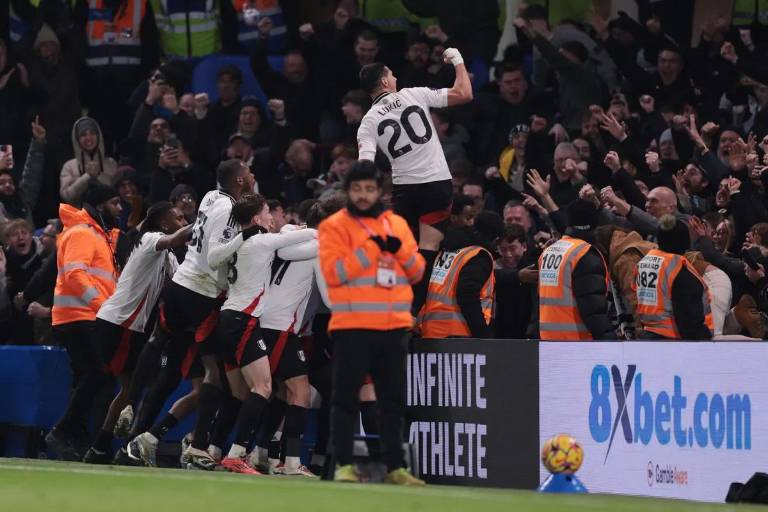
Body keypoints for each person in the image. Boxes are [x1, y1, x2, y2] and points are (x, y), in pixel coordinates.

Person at [127, 159, 254, 467]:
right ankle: (197, 446)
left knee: (163, 355)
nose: (252, 175)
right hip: (201, 294)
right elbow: (215, 256)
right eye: (248, 172)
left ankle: (133, 414)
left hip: (179, 285)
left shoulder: (210, 196)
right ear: (239, 180)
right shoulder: (229, 210)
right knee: (215, 375)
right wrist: (247, 236)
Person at [182, 193, 317, 473]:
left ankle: (211, 448)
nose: (271, 217)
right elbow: (296, 239)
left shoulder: (238, 242)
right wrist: (327, 231)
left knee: (242, 393)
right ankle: (237, 454)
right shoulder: (262, 242)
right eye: (267, 212)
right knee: (263, 388)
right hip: (242, 321)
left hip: (229, 318)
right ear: (257, 218)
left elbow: (216, 260)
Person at [318, 160, 425, 485]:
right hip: (353, 327)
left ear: (379, 191)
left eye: (369, 189)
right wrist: (370, 249)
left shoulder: (397, 224)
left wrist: (399, 253)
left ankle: (396, 468)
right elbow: (334, 274)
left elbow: (417, 272)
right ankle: (344, 466)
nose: (363, 195)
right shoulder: (334, 227)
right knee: (345, 400)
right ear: (348, 191)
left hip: (393, 327)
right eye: (356, 189)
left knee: (392, 401)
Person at [356, 46, 472, 304]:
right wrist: (458, 60)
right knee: (427, 250)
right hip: (436, 184)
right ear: (385, 82)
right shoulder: (414, 94)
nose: (396, 77)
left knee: (399, 250)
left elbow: (364, 166)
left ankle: (387, 303)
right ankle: (413, 312)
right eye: (392, 74)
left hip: (404, 191)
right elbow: (464, 93)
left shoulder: (368, 122)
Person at [82, 202, 189, 464]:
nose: (184, 222)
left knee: (131, 388)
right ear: (163, 223)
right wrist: (206, 222)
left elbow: (179, 284)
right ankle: (108, 440)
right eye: (179, 218)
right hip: (118, 323)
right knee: (128, 388)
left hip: (131, 327)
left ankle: (101, 446)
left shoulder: (169, 257)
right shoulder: (150, 239)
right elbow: (175, 238)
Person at [45, 183, 123, 460]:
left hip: (84, 316)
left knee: (88, 378)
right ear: (100, 205)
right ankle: (63, 431)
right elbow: (75, 275)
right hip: (78, 316)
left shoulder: (97, 235)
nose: (120, 208)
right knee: (96, 375)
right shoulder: (82, 233)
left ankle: (75, 436)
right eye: (115, 203)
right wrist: (103, 306)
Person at [419, 211, 503, 338]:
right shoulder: (478, 255)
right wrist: (483, 334)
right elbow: (467, 295)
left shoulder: (447, 250)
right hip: (457, 334)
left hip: (430, 329)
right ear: (496, 239)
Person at [538, 199, 613, 340]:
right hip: (577, 339)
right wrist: (608, 339)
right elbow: (593, 307)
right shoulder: (584, 253)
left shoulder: (549, 251)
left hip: (548, 338)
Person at [634, 215, 713, 340]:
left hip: (648, 335)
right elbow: (689, 320)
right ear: (684, 242)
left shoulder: (643, 263)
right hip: (674, 340)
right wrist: (702, 340)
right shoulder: (679, 270)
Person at [59, 117, 121, 206]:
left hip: (108, 214)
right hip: (80, 213)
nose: (88, 138)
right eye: (83, 135)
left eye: (92, 133)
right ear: (77, 139)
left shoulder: (111, 163)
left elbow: (117, 191)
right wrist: (87, 176)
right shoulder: (69, 166)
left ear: (98, 136)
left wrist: (98, 175)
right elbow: (67, 196)